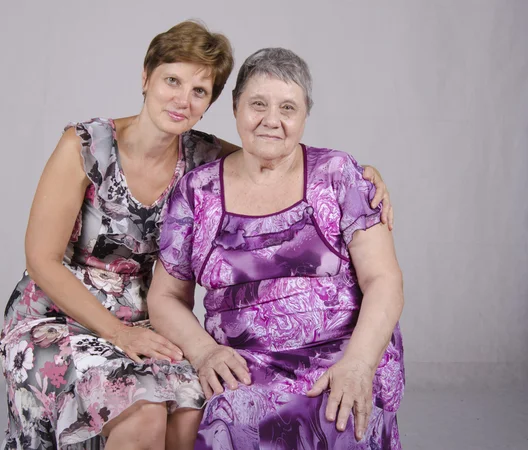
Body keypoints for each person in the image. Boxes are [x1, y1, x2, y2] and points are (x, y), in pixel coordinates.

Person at [0, 21, 393, 450]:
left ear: (213, 103)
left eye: (199, 91)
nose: (182, 100)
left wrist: (367, 177)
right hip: (67, 314)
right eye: (172, 80)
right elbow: (41, 260)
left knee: (192, 413)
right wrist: (118, 333)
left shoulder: (204, 156)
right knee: (143, 413)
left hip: (151, 324)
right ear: (145, 77)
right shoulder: (85, 146)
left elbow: (272, 149)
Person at [148, 47, 405, 450]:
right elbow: (164, 295)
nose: (272, 120)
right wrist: (204, 352)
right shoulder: (197, 192)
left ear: (305, 116)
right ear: (235, 108)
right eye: (258, 105)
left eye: (288, 107)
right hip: (243, 362)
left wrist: (359, 364)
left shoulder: (339, 175)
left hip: (342, 351)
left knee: (336, 420)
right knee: (227, 422)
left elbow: (383, 279)